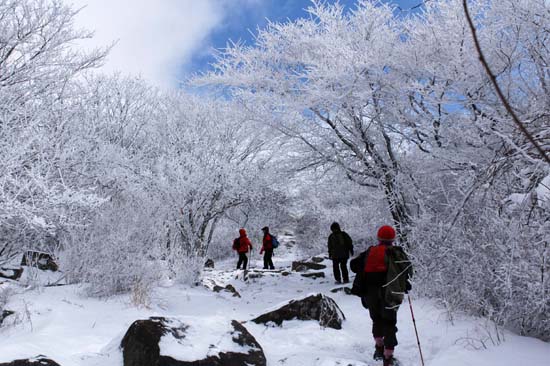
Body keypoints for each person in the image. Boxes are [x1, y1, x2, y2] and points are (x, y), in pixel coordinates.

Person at [350, 225, 413, 366]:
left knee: (376, 320)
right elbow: (407, 270)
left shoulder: (370, 251)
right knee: (389, 324)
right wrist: (405, 284)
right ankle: (388, 358)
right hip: (388, 294)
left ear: (379, 238)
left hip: (370, 295)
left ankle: (379, 349)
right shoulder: (396, 253)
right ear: (393, 239)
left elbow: (353, 266)